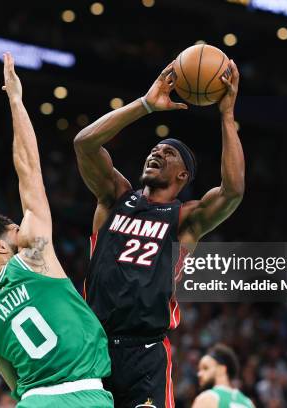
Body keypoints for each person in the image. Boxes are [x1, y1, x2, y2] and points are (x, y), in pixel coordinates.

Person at [73, 59, 245, 408]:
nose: (157, 152)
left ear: (183, 176)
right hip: (92, 344)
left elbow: (232, 191)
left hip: (145, 353)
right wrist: (146, 104)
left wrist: (226, 115)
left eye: (169, 153)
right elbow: (84, 143)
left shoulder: (185, 219)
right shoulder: (115, 196)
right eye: (155, 149)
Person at [0, 53, 113, 408]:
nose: (23, 227)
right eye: (15, 229)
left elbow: (11, 379)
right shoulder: (32, 257)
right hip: (84, 395)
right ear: (2, 247)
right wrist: (16, 100)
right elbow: (29, 170)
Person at [193, 344, 254, 408]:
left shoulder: (207, 398)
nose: (199, 374)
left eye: (205, 368)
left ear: (221, 369)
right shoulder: (248, 403)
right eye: (199, 370)